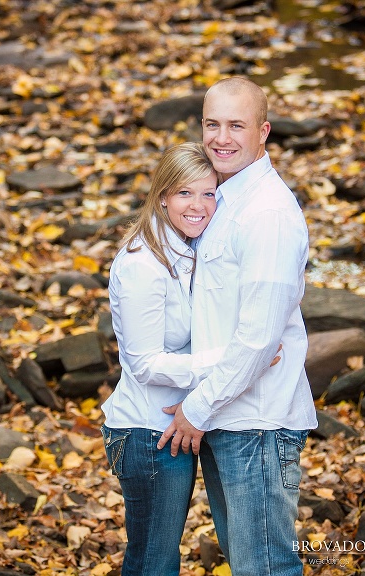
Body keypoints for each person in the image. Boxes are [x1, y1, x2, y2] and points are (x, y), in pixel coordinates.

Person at [157, 77, 318, 576]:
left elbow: (257, 339)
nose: (221, 137)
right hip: (228, 415)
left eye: (236, 125)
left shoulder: (267, 214)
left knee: (264, 567)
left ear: (264, 131)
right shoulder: (223, 199)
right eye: (212, 124)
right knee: (247, 563)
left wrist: (195, 410)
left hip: (258, 424)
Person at [100, 142, 218, 576]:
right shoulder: (142, 263)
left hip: (169, 430)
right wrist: (230, 361)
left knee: (155, 559)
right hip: (147, 435)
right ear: (163, 195)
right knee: (155, 564)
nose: (199, 205)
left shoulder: (185, 249)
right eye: (186, 193)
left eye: (209, 193)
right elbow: (145, 363)